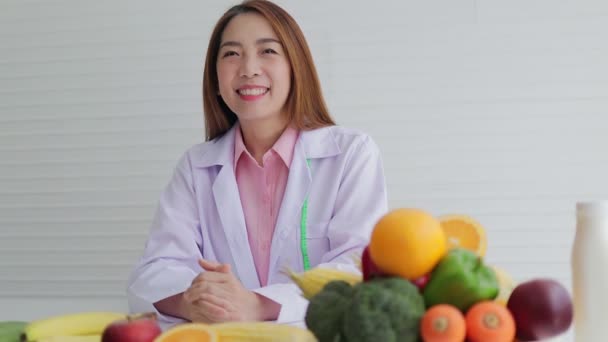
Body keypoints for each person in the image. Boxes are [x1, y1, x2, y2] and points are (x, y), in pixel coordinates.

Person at [127, 0, 388, 328]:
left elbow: (358, 269)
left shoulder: (350, 153)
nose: (248, 68)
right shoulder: (196, 167)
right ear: (216, 79)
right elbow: (152, 272)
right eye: (231, 54)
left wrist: (258, 305)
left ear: (296, 66)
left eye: (268, 51)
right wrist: (193, 302)